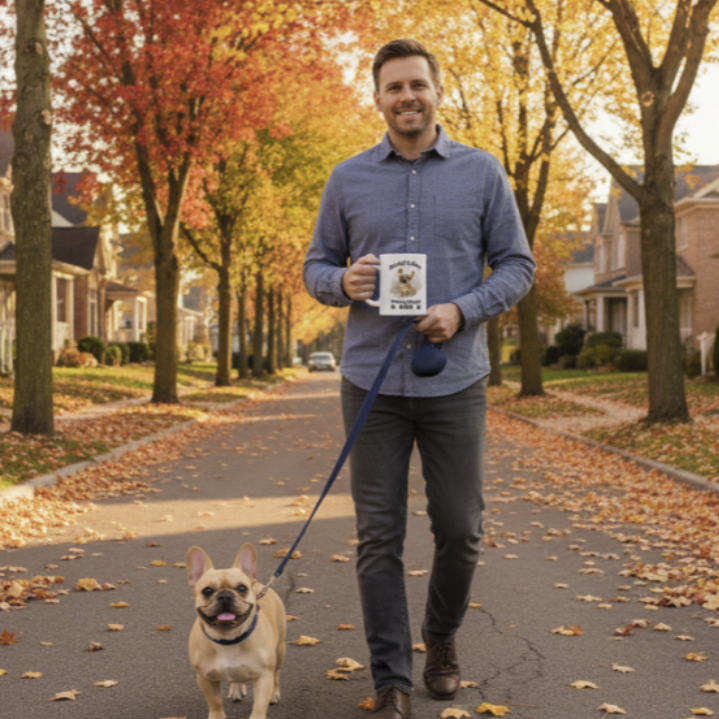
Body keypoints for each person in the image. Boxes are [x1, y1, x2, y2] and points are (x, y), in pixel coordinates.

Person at [303, 39, 536, 719]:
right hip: (370, 380)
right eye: (393, 87)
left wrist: (462, 309)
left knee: (460, 526)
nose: (407, 96)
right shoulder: (347, 179)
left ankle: (438, 638)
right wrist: (340, 281)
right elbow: (316, 265)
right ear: (376, 99)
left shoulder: (482, 172)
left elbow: (516, 266)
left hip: (453, 379)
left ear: (437, 92)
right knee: (378, 533)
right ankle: (391, 678)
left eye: (417, 85)